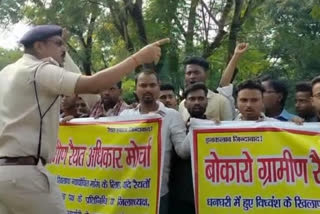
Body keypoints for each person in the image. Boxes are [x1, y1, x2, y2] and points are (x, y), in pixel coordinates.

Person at [0, 24, 169, 214]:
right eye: (58, 44)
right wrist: (138, 58)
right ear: (39, 46)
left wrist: (54, 124)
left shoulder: (6, 73)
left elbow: (20, 119)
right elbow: (94, 85)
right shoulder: (39, 69)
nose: (63, 50)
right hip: (25, 176)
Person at [120, 70, 189, 214]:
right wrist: (78, 123)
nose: (147, 89)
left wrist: (198, 126)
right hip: (127, 193)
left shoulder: (172, 116)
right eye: (143, 85)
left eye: (152, 85)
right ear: (136, 89)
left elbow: (183, 152)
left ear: (158, 87)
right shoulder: (125, 116)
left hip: (158, 194)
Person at [169, 82, 209, 214]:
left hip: (209, 198)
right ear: (185, 104)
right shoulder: (176, 129)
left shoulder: (217, 130)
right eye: (192, 99)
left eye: (201, 98)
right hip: (180, 200)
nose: (197, 102)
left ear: (206, 102)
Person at [179, 56, 233, 122]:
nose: (192, 76)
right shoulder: (182, 105)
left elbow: (230, 128)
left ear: (206, 74)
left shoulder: (221, 101)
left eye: (196, 73)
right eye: (189, 73)